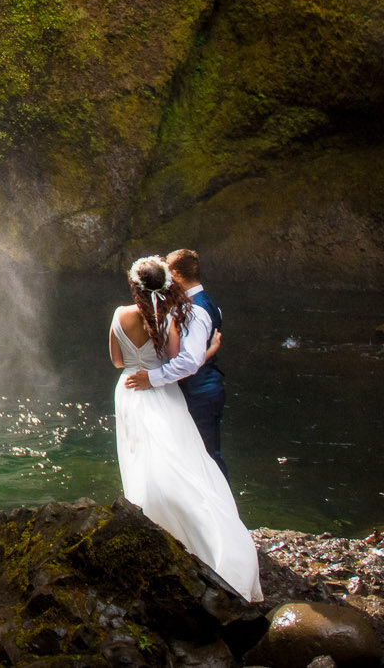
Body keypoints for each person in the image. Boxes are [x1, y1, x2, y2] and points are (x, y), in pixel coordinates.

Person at [109, 254, 261, 600]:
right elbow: (177, 360)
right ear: (166, 281)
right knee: (183, 458)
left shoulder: (120, 315)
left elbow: (118, 361)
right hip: (162, 392)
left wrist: (141, 368)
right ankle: (202, 524)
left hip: (129, 389)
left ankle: (147, 515)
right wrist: (208, 352)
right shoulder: (170, 319)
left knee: (139, 454)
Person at [122, 248, 227, 476]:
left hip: (199, 393)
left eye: (168, 271)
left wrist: (151, 378)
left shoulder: (196, 310)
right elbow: (197, 356)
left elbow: (189, 361)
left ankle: (220, 510)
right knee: (201, 455)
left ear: (177, 273)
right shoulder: (207, 304)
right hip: (204, 387)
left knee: (207, 456)